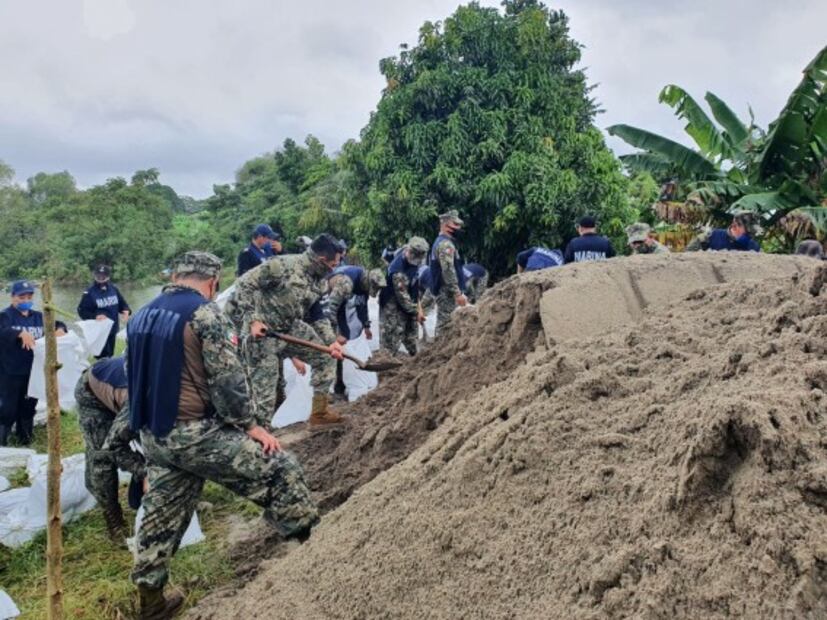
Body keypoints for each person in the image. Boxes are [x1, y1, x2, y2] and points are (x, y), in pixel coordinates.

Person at [128, 251, 319, 618]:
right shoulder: (205, 314)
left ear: (176, 275)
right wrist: (251, 425)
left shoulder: (142, 315)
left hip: (155, 433)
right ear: (213, 281)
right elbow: (228, 380)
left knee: (163, 513)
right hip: (194, 432)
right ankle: (314, 556)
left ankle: (151, 601)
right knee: (281, 470)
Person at [228, 234, 346, 427]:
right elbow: (244, 284)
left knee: (325, 357)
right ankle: (260, 441)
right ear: (322, 260)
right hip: (262, 335)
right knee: (265, 397)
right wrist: (253, 320)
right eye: (332, 264)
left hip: (289, 327)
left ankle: (319, 414)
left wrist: (330, 341)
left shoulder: (319, 281)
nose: (333, 269)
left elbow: (316, 312)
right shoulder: (280, 267)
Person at [74, 356, 144, 542]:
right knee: (101, 457)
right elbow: (111, 448)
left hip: (120, 391)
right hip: (93, 393)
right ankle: (113, 518)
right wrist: (143, 471)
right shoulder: (138, 399)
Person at [0, 281, 44, 446]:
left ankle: (25, 439)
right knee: (7, 409)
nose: (26, 299)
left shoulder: (38, 316)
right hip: (9, 372)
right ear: (12, 297)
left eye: (29, 296)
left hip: (32, 371)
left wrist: (61, 328)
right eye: (21, 296)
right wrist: (19, 333)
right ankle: (2, 442)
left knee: (28, 406)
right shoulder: (5, 316)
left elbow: (54, 325)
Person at [380, 237, 429, 356]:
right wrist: (417, 312)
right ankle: (388, 363)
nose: (419, 260)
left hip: (409, 301)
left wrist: (419, 307)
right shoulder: (397, 271)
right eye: (417, 257)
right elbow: (403, 298)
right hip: (392, 306)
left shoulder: (414, 261)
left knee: (412, 333)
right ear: (409, 252)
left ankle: (416, 358)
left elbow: (414, 287)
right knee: (392, 337)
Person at [77, 264, 130, 359]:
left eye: (103, 275)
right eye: (98, 275)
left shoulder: (113, 289)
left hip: (112, 329)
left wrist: (126, 311)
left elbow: (122, 304)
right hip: (99, 331)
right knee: (102, 357)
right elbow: (82, 311)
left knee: (110, 355)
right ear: (95, 275)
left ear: (108, 276)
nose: (100, 278)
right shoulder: (89, 292)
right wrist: (95, 316)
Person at [429, 210, 467, 332]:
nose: (459, 228)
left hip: (446, 290)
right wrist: (457, 293)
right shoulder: (446, 244)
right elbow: (448, 270)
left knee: (446, 324)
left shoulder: (441, 242)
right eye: (456, 225)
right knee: (445, 326)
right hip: (447, 291)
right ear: (446, 225)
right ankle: (438, 351)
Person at [686, 213, 761, 252]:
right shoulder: (711, 237)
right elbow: (688, 255)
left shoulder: (754, 247)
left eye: (752, 233)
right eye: (748, 232)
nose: (750, 235)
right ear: (735, 226)